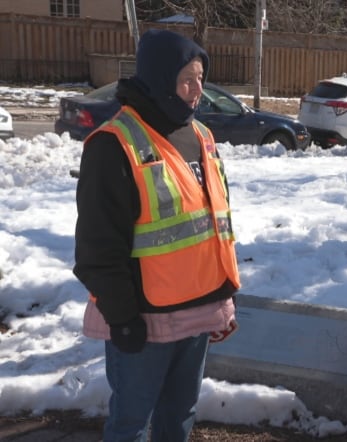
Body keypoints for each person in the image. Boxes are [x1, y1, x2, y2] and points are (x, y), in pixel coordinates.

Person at [73, 29, 240, 442]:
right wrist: (122, 317)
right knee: (130, 422)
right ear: (159, 79)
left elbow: (212, 225)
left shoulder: (199, 135)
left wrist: (221, 297)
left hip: (197, 311)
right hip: (144, 319)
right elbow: (98, 247)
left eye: (201, 78)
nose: (197, 90)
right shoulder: (114, 145)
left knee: (179, 417)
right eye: (187, 79)